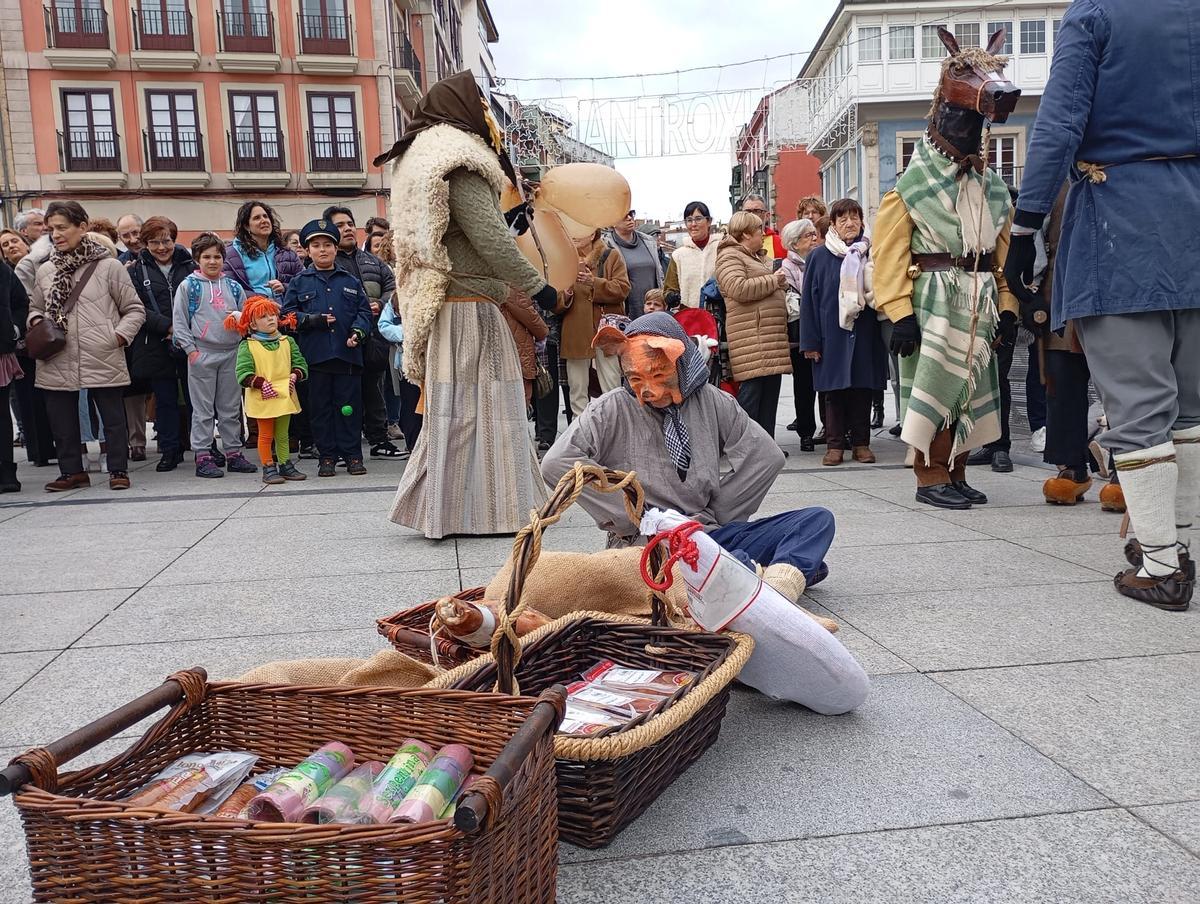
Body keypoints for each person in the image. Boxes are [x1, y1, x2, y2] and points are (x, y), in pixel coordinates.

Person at [1004, 0, 1200, 611]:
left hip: (1122, 222)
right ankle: (1177, 543)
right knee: (1191, 413)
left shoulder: (1097, 14)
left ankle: (1164, 564)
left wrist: (1026, 224)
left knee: (1140, 411)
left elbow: (1060, 125)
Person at [542, 313, 847, 628]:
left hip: (706, 535)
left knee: (816, 521)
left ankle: (775, 591)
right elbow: (557, 464)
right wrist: (631, 514)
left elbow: (766, 457)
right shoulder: (612, 408)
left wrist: (718, 513)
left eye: (660, 375)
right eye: (635, 377)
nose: (648, 390)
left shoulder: (712, 400)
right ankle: (775, 587)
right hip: (651, 547)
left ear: (682, 360)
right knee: (736, 563)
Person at [376, 70, 559, 539]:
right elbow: (492, 242)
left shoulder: (422, 158)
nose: (486, 113)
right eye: (480, 103)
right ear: (462, 109)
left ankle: (447, 510)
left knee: (452, 412)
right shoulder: (461, 160)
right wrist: (540, 289)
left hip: (446, 304)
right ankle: (497, 510)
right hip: (471, 306)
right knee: (489, 407)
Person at [874, 26, 1020, 510]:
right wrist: (899, 313)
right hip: (932, 295)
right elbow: (889, 255)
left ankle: (956, 469)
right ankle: (929, 474)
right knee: (934, 382)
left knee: (970, 384)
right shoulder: (909, 189)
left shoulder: (993, 189)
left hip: (977, 293)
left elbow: (1000, 257)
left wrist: (1008, 303)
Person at [28, 200, 145, 491]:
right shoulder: (45, 270)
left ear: (82, 227)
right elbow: (34, 306)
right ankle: (72, 472)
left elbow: (134, 309)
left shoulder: (109, 267)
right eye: (51, 229)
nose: (56, 234)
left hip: (102, 351)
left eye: (62, 227)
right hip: (56, 354)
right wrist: (35, 322)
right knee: (62, 419)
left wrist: (117, 337)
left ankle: (118, 469)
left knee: (113, 418)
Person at [281, 218, 372, 477]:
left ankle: (353, 455)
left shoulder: (350, 281)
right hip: (316, 358)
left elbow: (363, 312)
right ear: (308, 251)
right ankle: (327, 457)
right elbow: (287, 317)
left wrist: (358, 332)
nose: (323, 250)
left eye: (328, 245)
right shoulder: (299, 282)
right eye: (316, 245)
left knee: (350, 408)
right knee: (321, 410)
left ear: (335, 248)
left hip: (347, 357)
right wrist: (312, 321)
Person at [800, 199, 887, 466]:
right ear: (834, 225)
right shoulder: (818, 256)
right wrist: (811, 341)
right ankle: (834, 445)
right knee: (833, 393)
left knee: (862, 389)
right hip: (831, 333)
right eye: (843, 219)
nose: (850, 223)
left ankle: (861, 444)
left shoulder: (871, 252)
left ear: (862, 221)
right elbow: (809, 302)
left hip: (865, 331)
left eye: (854, 217)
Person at [321, 204, 403, 460]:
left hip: (374, 338)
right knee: (344, 395)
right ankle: (344, 447)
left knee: (374, 390)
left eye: (349, 224)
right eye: (339, 225)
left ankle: (379, 440)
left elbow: (392, 289)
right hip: (344, 339)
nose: (346, 229)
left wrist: (380, 303)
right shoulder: (326, 264)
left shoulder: (373, 262)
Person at [173, 233, 255, 478]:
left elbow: (245, 316)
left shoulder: (232, 286)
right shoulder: (189, 286)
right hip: (202, 354)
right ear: (197, 259)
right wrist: (192, 352)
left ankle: (233, 453)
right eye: (206, 257)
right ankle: (203, 455)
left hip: (230, 352)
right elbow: (180, 322)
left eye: (217, 256)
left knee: (230, 407)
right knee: (203, 410)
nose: (212, 261)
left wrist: (243, 330)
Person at [126, 216, 197, 472]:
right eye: (154, 242)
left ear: (174, 240)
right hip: (155, 342)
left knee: (195, 398)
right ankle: (169, 449)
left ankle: (203, 448)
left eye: (166, 240)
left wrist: (184, 329)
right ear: (145, 243)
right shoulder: (135, 270)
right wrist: (168, 327)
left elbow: (200, 299)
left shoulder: (190, 266)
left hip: (191, 340)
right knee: (164, 399)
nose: (161, 247)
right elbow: (136, 306)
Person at [715, 210, 791, 440]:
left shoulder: (754, 256)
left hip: (769, 338)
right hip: (752, 339)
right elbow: (737, 288)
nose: (763, 233)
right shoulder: (730, 256)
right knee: (752, 396)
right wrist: (773, 280)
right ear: (746, 234)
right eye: (760, 229)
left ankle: (766, 446)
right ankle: (744, 445)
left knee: (769, 395)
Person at [229, 295, 307, 484]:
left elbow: (300, 363)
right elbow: (243, 372)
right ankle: (268, 466)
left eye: (273, 314)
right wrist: (260, 383)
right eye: (264, 316)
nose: (271, 319)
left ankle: (285, 464)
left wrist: (295, 375)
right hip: (263, 395)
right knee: (265, 434)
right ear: (253, 325)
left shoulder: (287, 342)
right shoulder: (248, 345)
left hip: (284, 394)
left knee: (283, 434)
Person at [557, 229, 631, 417]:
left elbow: (623, 289)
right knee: (577, 389)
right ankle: (579, 432)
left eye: (579, 229)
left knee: (611, 384)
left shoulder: (610, 256)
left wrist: (594, 283)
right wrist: (564, 295)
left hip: (605, 331)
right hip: (575, 332)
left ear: (592, 234)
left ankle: (614, 425)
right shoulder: (563, 259)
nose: (573, 234)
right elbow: (555, 302)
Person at [779, 218, 822, 450]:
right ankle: (806, 432)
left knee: (826, 386)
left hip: (823, 329)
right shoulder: (786, 267)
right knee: (804, 385)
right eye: (808, 236)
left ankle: (831, 429)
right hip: (800, 334)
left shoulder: (822, 259)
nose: (814, 239)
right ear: (795, 243)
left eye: (815, 234)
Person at [224, 200, 303, 299]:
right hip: (252, 310)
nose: (264, 220)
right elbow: (228, 288)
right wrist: (263, 301)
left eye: (265, 216)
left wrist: (285, 287)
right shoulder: (231, 254)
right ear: (246, 226)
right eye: (257, 218)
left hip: (286, 310)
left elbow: (305, 282)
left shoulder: (287, 253)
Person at [604, 208, 663, 321]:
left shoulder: (649, 241)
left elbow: (659, 276)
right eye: (624, 215)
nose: (629, 218)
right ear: (612, 222)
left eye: (631, 214)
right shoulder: (605, 246)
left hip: (653, 311)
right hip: (625, 313)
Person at [0, 259, 27, 492]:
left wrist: (13, 329)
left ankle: (6, 472)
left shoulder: (2, 269)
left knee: (1, 413)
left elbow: (21, 302)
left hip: (0, 350)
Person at [663, 201, 719, 309]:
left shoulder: (721, 249)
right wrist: (671, 297)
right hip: (690, 318)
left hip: (718, 315)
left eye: (698, 219)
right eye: (689, 220)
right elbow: (669, 289)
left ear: (709, 221)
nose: (693, 224)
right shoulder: (678, 256)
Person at [501, 287, 550, 405]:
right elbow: (529, 314)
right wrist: (543, 332)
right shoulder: (511, 285)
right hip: (516, 348)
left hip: (501, 347)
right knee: (520, 401)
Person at [740, 193, 785, 261]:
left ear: (767, 216)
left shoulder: (780, 244)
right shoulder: (734, 242)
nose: (751, 215)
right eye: (747, 211)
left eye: (757, 211)